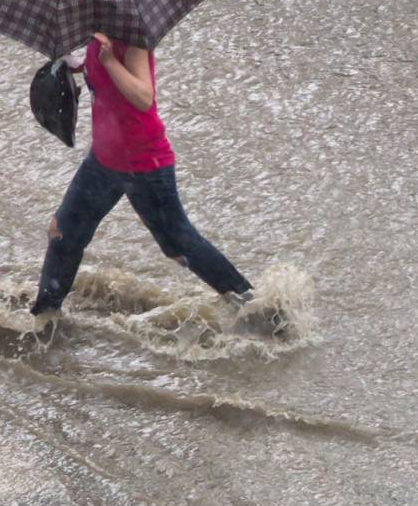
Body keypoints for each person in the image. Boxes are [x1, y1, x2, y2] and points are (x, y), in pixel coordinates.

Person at [30, 31, 259, 319]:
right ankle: (44, 317)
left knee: (178, 246)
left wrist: (111, 61)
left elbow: (143, 96)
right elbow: (93, 67)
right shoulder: (96, 35)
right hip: (103, 161)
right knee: (63, 233)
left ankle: (252, 306)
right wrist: (71, 62)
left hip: (144, 165)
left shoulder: (133, 38)